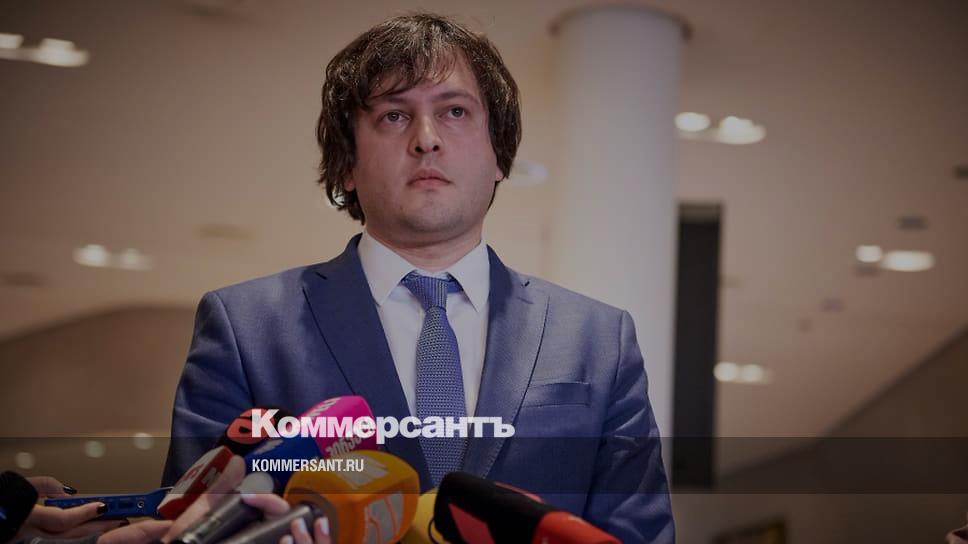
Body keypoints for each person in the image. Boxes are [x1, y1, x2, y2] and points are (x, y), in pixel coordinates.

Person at [164, 12, 674, 542]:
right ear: (347, 164)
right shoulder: (245, 329)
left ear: (499, 155)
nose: (426, 139)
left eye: (455, 111)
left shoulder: (599, 339)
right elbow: (188, 526)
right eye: (393, 116)